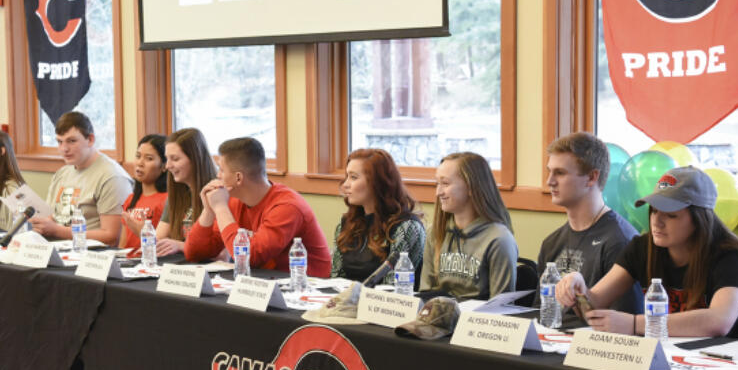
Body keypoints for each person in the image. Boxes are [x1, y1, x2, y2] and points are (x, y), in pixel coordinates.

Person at [556, 166, 738, 340]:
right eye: (654, 211)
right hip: (685, 358)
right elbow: (595, 304)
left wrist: (633, 324)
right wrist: (577, 289)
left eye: (671, 215)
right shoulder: (642, 247)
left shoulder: (732, 258)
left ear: (699, 219)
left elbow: (719, 321)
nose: (657, 221)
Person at [186, 136, 332, 276]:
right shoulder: (233, 201)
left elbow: (250, 256)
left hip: (307, 287)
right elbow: (194, 253)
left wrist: (220, 208)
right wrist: (209, 210)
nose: (218, 176)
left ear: (238, 177)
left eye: (222, 170)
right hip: (266, 282)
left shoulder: (287, 206)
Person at [538, 132, 641, 318]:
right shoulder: (551, 243)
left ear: (592, 178)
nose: (549, 181)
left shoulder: (621, 241)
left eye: (560, 173)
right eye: (549, 171)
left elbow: (624, 325)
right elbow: (540, 312)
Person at [420, 151, 518, 299]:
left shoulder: (499, 239)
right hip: (439, 317)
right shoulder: (435, 232)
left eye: (445, 183)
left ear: (472, 187)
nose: (438, 192)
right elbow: (426, 292)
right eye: (437, 184)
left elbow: (500, 306)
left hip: (478, 320)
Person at [29, 111, 134, 246]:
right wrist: (40, 224)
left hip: (89, 254)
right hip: (55, 247)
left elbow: (112, 236)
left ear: (90, 140)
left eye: (71, 141)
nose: (64, 149)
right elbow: (51, 218)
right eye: (59, 142)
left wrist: (57, 231)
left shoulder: (112, 177)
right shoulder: (62, 173)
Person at [331, 148, 425, 280]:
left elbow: (393, 287)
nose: (345, 185)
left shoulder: (407, 227)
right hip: (348, 299)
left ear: (377, 182)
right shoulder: (346, 224)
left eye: (353, 177)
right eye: (346, 177)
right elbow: (335, 278)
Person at [155, 128, 219, 256]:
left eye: (175, 159)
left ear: (196, 159)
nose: (168, 166)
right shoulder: (177, 194)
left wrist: (181, 246)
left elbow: (221, 254)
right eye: (167, 159)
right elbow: (159, 238)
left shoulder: (218, 193)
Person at [119, 134, 169, 251]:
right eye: (138, 156)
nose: (140, 163)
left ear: (164, 166)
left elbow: (164, 243)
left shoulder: (166, 200)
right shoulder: (131, 199)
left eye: (149, 158)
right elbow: (122, 245)